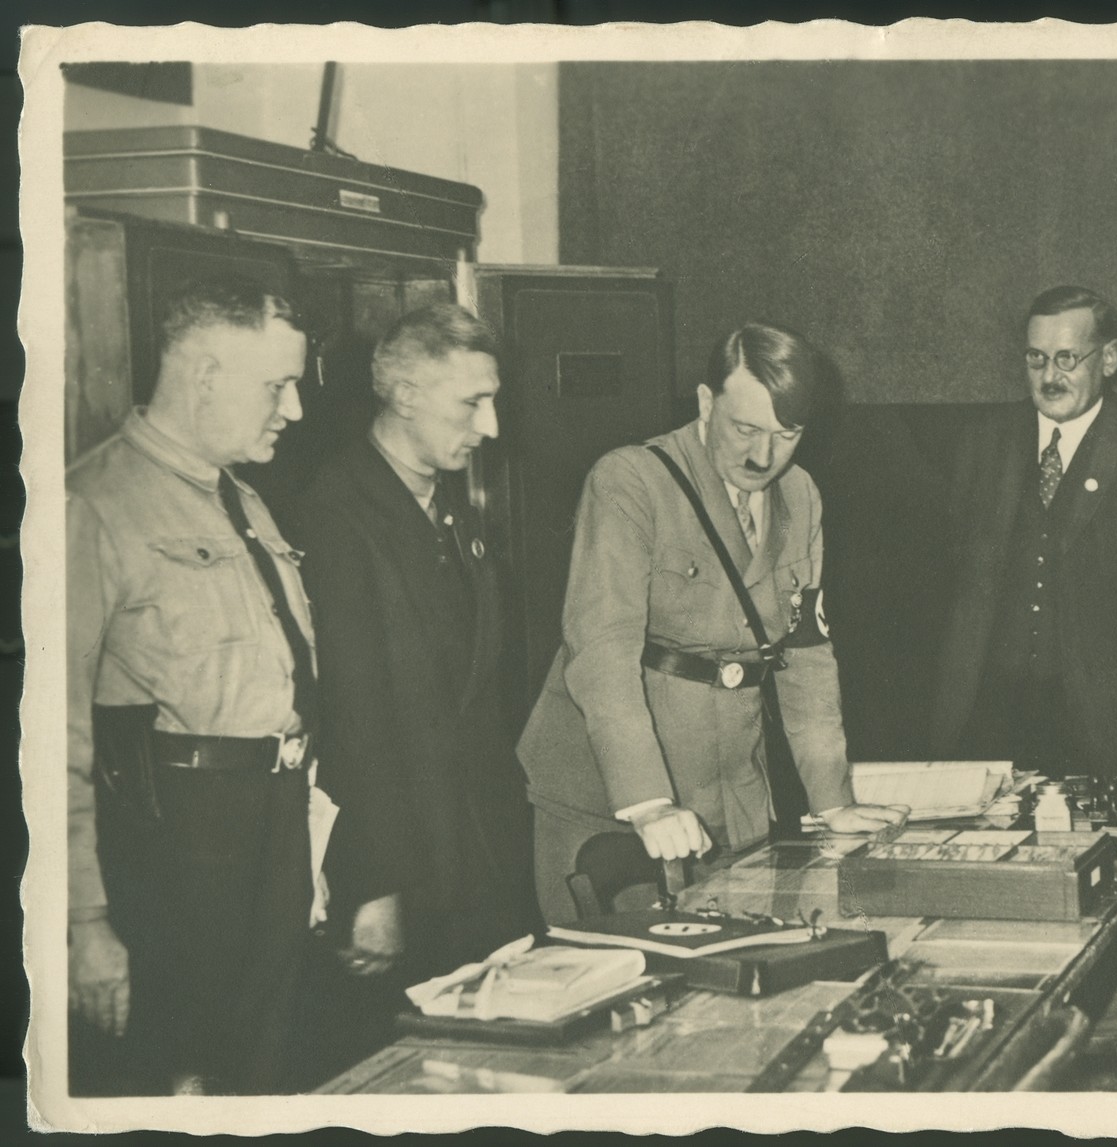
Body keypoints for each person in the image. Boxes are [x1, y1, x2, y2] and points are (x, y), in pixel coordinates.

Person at [516, 321, 905, 925]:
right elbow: (602, 652)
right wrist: (646, 803)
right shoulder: (631, 480)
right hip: (609, 800)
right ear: (705, 402)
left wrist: (832, 801)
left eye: (786, 435)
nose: (762, 456)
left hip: (727, 789)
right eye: (745, 429)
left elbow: (805, 653)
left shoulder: (800, 496)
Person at [66, 277, 316, 1094]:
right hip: (174, 847)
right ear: (205, 375)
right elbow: (48, 738)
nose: (294, 410)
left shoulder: (242, 499)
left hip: (270, 826)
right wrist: (85, 919)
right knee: (181, 1081)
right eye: (276, 386)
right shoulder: (93, 504)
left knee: (263, 1069)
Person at [287, 304, 535, 995]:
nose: (489, 426)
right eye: (472, 404)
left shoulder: (456, 515)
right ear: (404, 395)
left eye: (493, 401)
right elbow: (348, 719)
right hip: (403, 868)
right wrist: (373, 886)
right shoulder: (335, 515)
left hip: (478, 854)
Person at [929, 285, 1117, 779]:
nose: (1049, 376)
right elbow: (948, 584)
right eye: (1036, 358)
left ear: (1109, 358)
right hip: (986, 722)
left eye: (1067, 358)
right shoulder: (983, 444)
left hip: (1103, 732)